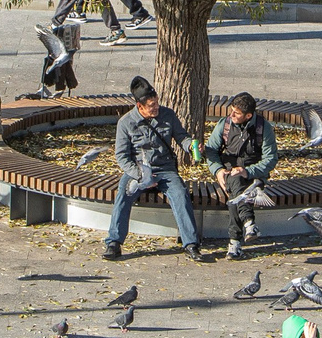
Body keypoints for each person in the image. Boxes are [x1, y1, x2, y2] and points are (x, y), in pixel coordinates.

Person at [104, 75, 203, 262]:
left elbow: (181, 137)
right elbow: (122, 156)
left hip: (165, 169)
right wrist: (140, 176)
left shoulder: (168, 115)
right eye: (152, 105)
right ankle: (114, 243)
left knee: (181, 194)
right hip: (138, 170)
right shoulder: (125, 123)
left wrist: (190, 146)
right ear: (139, 106)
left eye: (157, 103)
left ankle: (191, 244)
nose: (156, 107)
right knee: (123, 194)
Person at [203, 91, 280, 259]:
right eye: (231, 110)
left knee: (236, 194)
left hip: (254, 174)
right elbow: (211, 151)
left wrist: (248, 171)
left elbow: (271, 159)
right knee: (236, 182)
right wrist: (218, 170)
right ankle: (248, 223)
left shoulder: (263, 127)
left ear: (248, 115)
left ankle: (234, 241)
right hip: (229, 171)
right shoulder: (225, 124)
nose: (231, 115)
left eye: (236, 113)